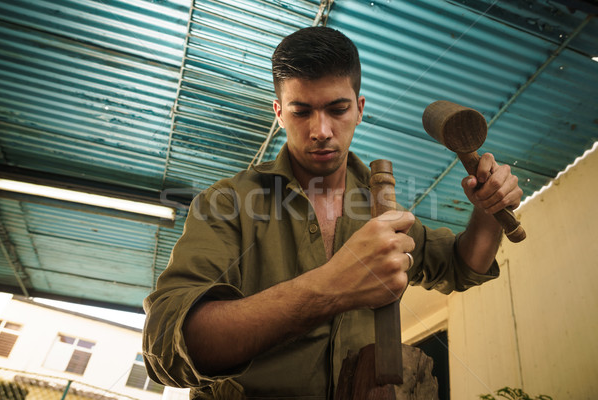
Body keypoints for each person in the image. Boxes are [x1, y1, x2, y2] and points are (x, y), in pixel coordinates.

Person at [142, 27, 523, 400]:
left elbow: (460, 265)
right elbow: (166, 349)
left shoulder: (383, 207)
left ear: (359, 109)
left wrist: (488, 211)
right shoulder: (226, 202)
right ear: (278, 113)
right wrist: (332, 287)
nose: (321, 130)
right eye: (301, 111)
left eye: (337, 109)